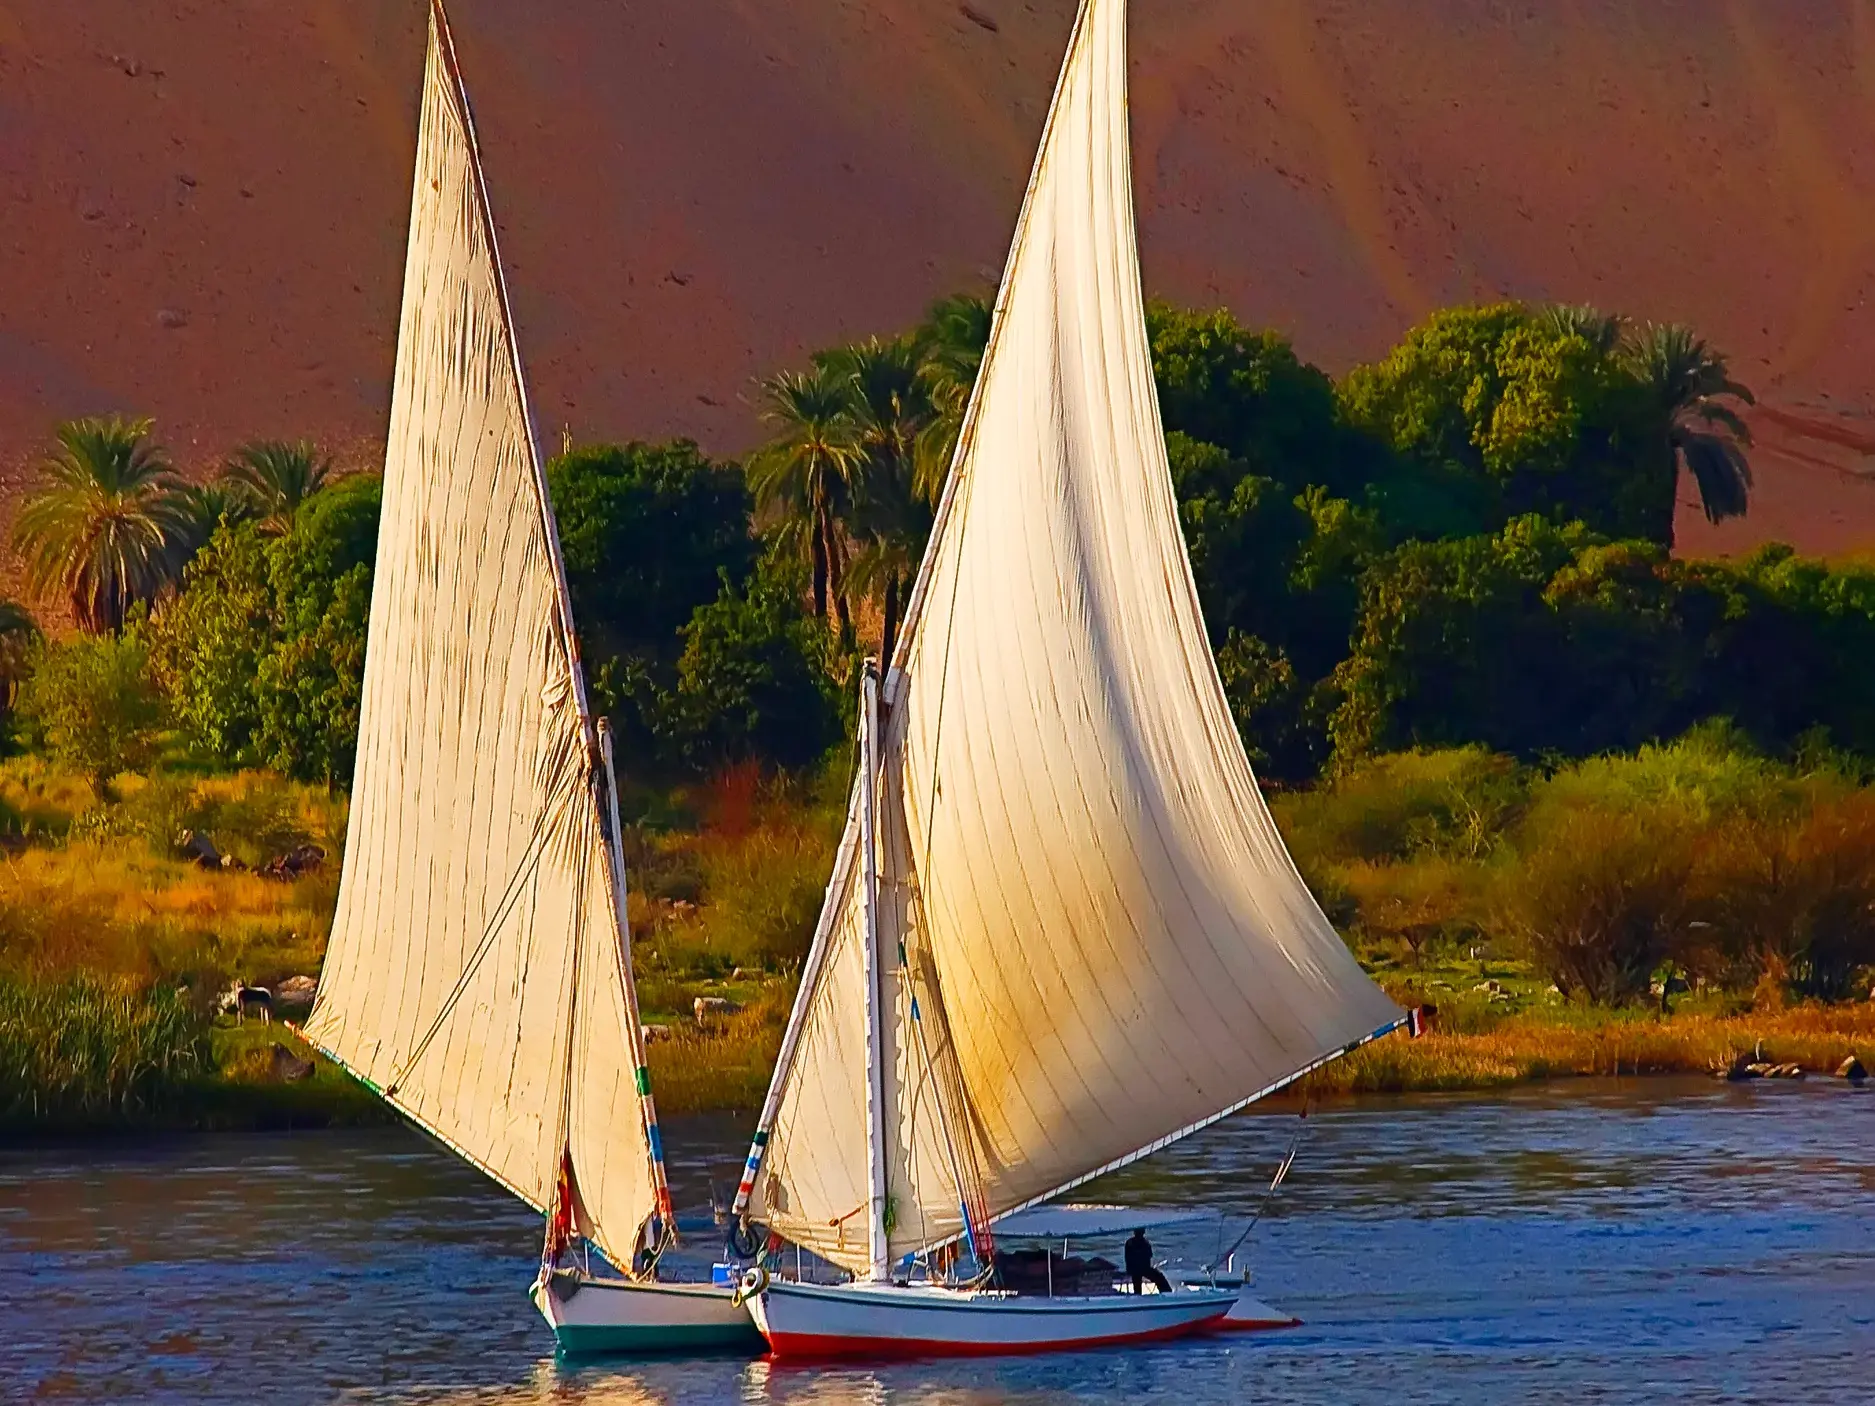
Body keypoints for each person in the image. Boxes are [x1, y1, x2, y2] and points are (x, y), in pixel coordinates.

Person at [1124, 1228, 1171, 1295]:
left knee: (1158, 1277)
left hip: (1138, 1268)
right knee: (1158, 1277)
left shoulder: (1137, 1242)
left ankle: (1166, 1292)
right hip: (1139, 1268)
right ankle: (1166, 1292)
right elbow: (1148, 1255)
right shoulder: (1140, 1242)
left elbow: (1148, 1255)